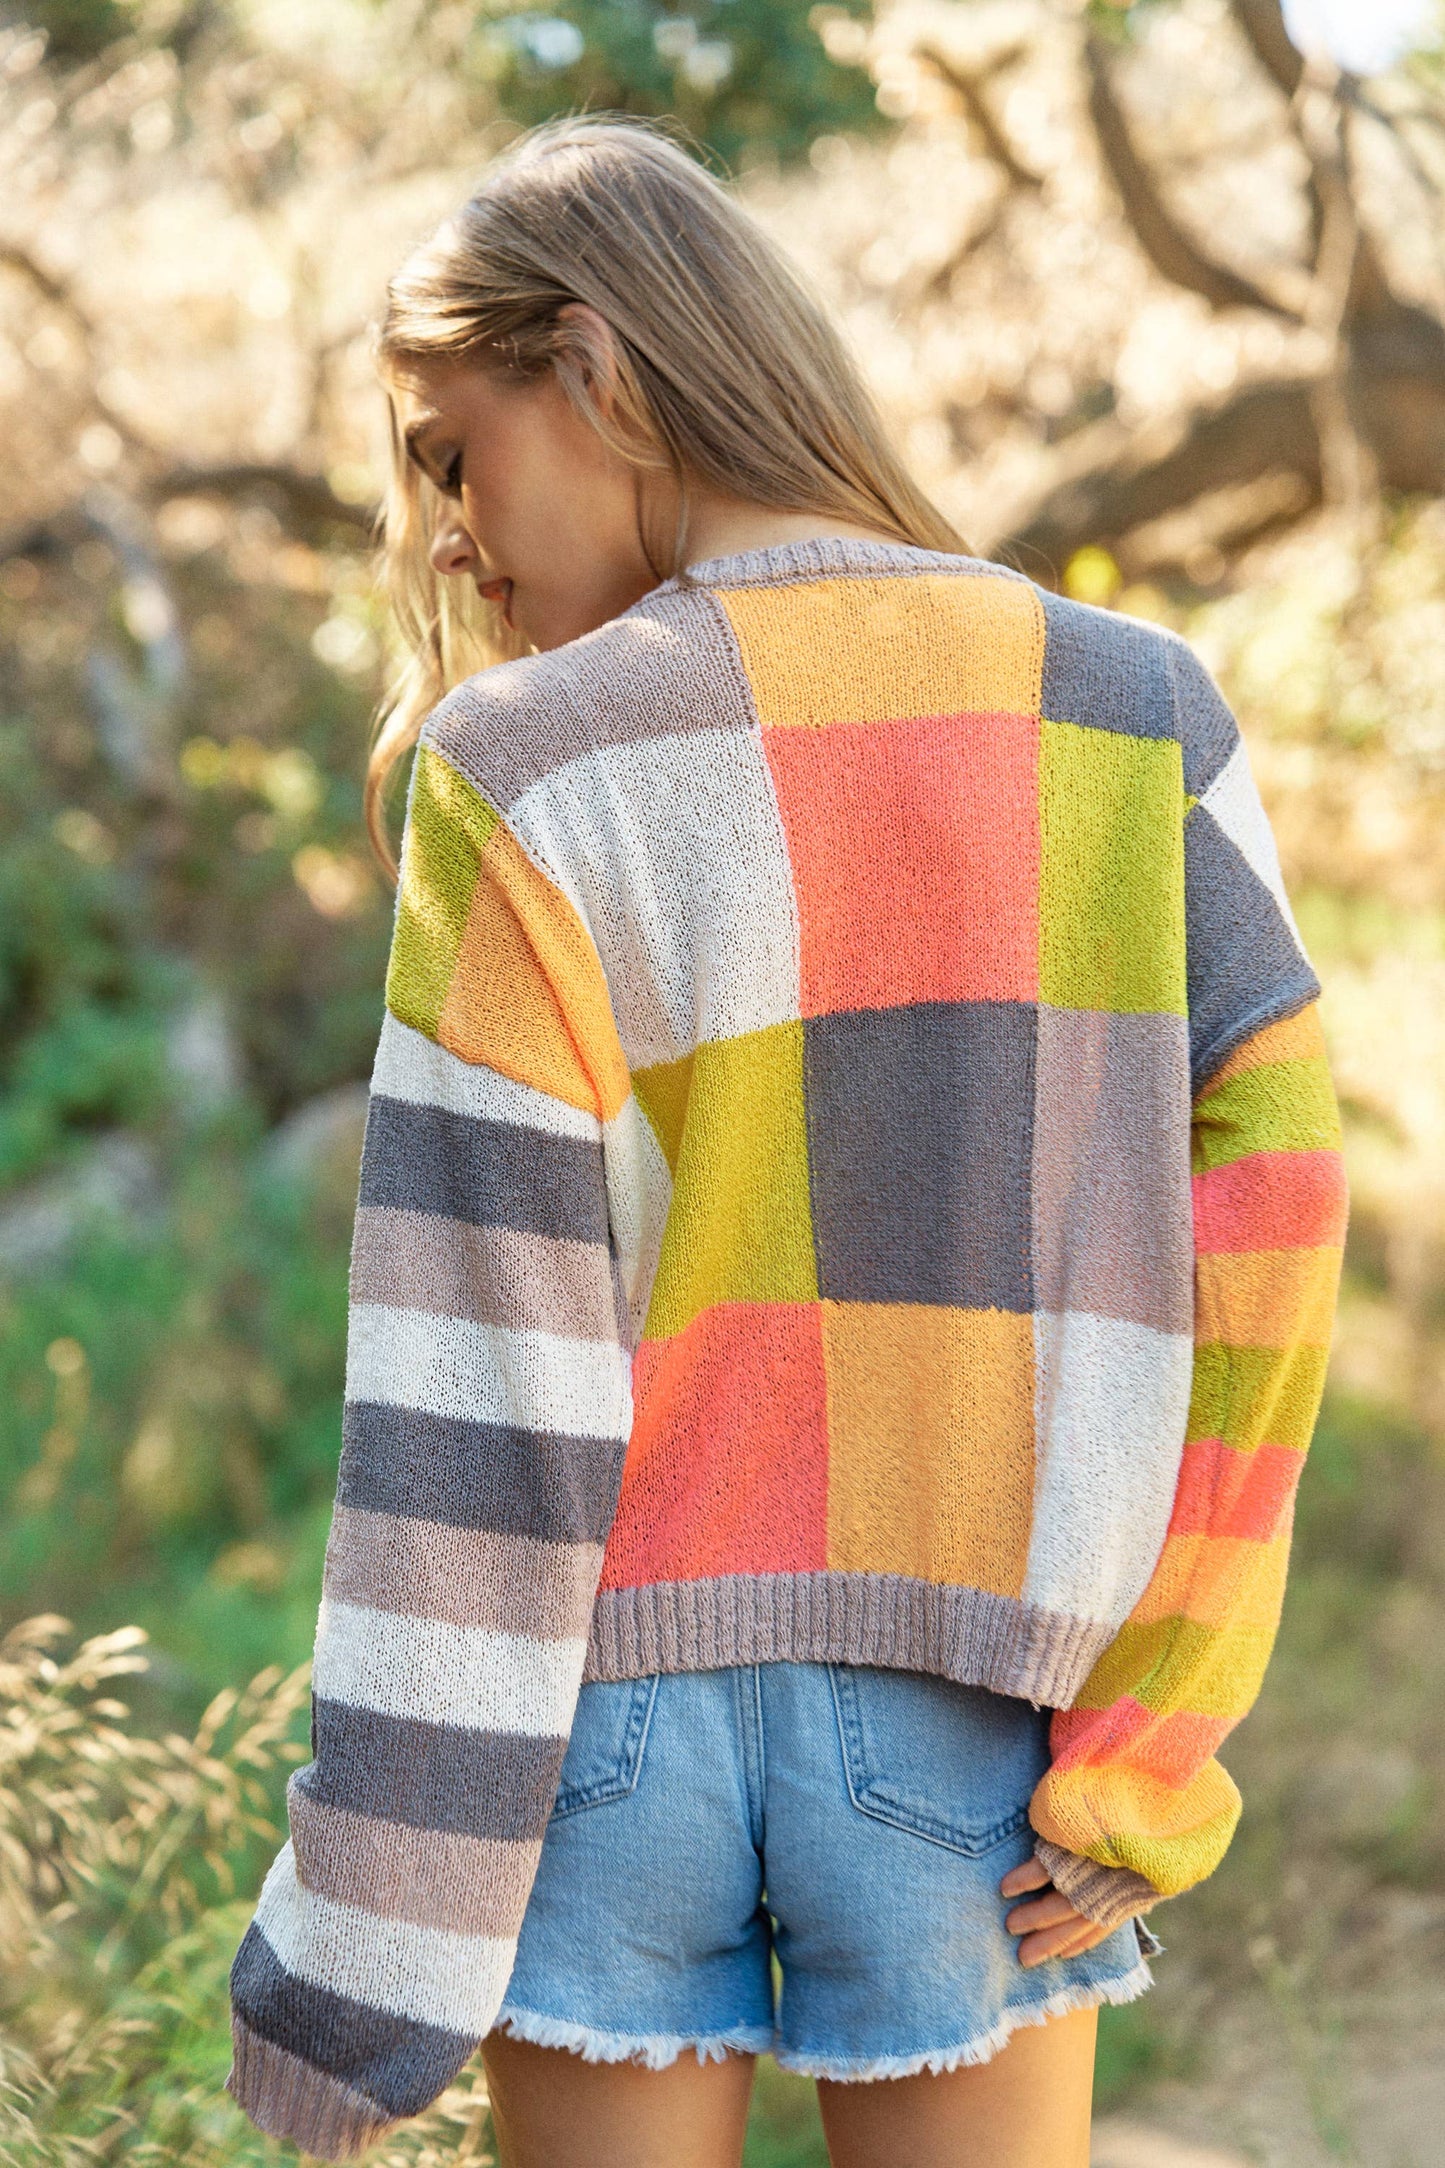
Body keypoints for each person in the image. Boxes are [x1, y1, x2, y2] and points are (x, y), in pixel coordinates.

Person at [223, 116, 1348, 2168]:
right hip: (974, 1731)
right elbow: (1270, 1218)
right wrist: (1151, 1736)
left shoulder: (527, 766)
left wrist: (365, 1934)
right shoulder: (1125, 712)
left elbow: (475, 1390)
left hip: (603, 1734)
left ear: (600, 367)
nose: (451, 535)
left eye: (449, 452)